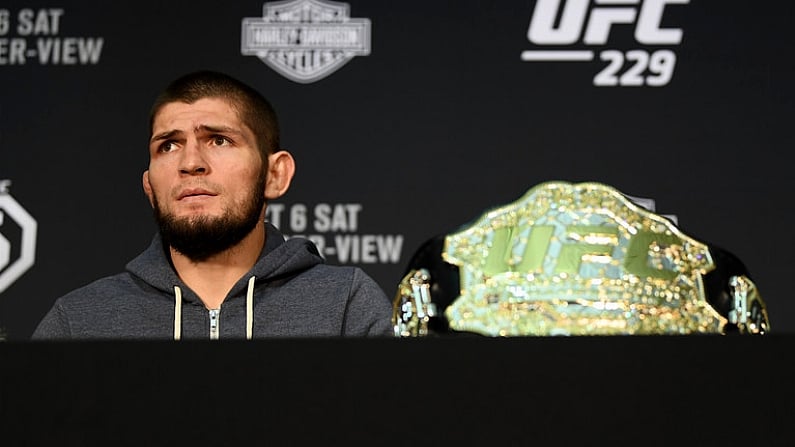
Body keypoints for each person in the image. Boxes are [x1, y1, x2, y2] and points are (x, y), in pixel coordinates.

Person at [32, 70, 394, 339]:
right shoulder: (79, 322)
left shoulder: (345, 305)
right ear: (148, 185)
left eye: (218, 140)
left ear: (274, 175)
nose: (190, 162)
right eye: (168, 146)